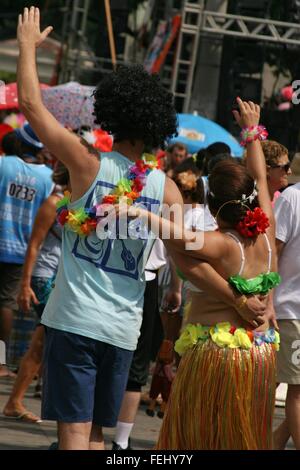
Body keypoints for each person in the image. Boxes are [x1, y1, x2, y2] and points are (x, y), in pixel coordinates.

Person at [17, 8, 268, 450]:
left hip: (76, 321)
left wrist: (25, 48)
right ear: (156, 124)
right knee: (97, 435)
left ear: (110, 113)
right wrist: (240, 297)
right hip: (123, 328)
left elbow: (32, 106)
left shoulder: (85, 163)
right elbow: (187, 260)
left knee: (74, 435)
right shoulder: (166, 188)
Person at [119, 98, 280, 449]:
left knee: (198, 438)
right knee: (241, 438)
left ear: (214, 206)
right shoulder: (266, 230)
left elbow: (179, 238)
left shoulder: (221, 244)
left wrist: (142, 215)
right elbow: (262, 184)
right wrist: (252, 133)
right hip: (260, 353)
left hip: (218, 357)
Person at [2, 162, 69, 423]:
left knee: (45, 340)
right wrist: (25, 284)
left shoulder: (81, 203)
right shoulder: (54, 203)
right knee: (43, 340)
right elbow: (34, 245)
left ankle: (17, 401)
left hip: (62, 279)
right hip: (44, 277)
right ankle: (15, 401)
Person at [0, 141, 53, 377]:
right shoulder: (47, 177)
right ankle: (0, 363)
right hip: (21, 247)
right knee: (5, 305)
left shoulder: (3, 164)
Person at [272, 183, 300, 450]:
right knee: (297, 389)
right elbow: (274, 251)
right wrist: (267, 298)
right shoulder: (293, 197)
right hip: (291, 310)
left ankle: (272, 443)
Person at [260, 140, 292, 204]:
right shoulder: (250, 203)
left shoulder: (280, 197)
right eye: (286, 167)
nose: (289, 172)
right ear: (267, 170)